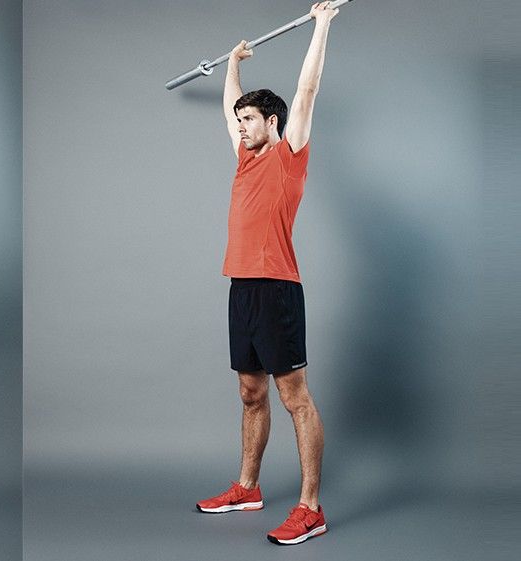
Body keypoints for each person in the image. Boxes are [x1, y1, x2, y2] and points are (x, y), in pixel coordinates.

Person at [194, 2, 338, 546]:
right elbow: (230, 103)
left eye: (249, 120)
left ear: (272, 122)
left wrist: (320, 26)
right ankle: (248, 488)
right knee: (250, 393)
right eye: (239, 121)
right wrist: (232, 63)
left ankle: (310, 508)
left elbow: (307, 90)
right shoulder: (244, 159)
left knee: (294, 397)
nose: (240, 126)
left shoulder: (288, 155)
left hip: (278, 288)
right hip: (242, 289)